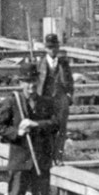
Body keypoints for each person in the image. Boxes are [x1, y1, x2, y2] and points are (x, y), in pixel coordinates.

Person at [0, 62, 59, 195]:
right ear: (21, 83)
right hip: (20, 159)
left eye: (33, 82)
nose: (31, 86)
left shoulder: (46, 102)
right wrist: (17, 133)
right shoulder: (12, 102)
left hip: (40, 159)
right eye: (27, 82)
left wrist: (36, 125)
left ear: (37, 81)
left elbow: (55, 124)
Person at [37, 33, 74, 164]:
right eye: (49, 47)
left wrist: (69, 95)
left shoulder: (64, 63)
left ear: (58, 48)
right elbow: (37, 83)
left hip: (61, 100)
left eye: (54, 47)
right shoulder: (40, 63)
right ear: (45, 49)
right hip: (46, 101)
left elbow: (70, 81)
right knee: (47, 128)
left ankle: (58, 157)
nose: (52, 50)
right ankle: (48, 156)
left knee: (61, 129)